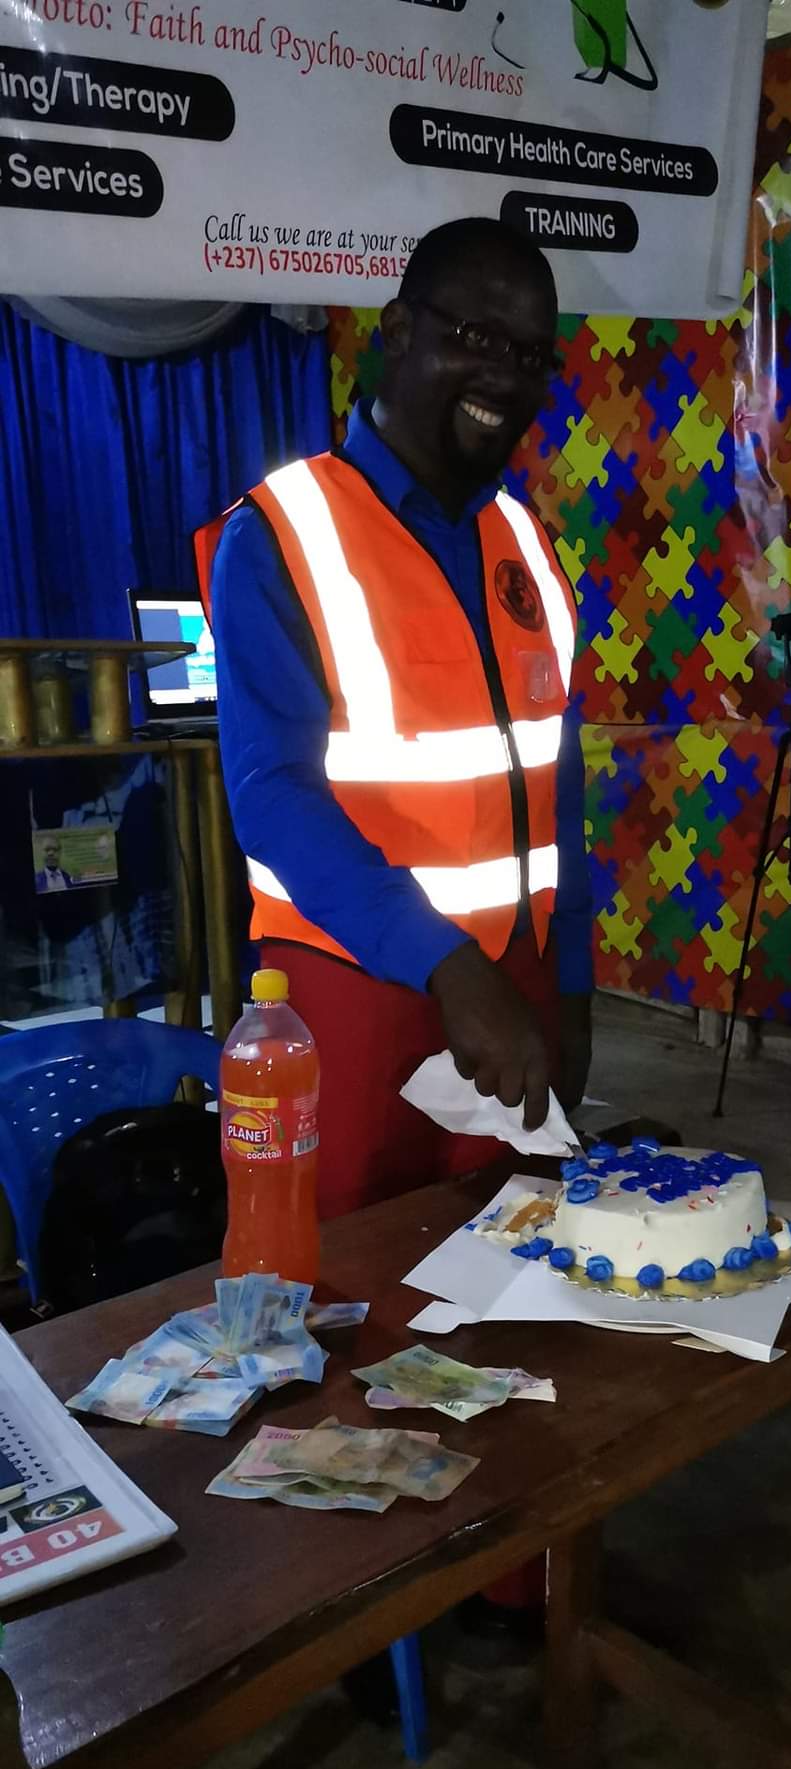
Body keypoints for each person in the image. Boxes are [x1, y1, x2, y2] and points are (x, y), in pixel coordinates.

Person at [197, 219, 593, 1220]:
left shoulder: (527, 543)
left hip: (515, 992)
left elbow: (559, 783)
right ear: (400, 330)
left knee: (515, 1270)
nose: (504, 375)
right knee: (350, 1285)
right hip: (353, 991)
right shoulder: (282, 533)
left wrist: (573, 984)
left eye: (530, 355)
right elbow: (272, 798)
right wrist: (446, 966)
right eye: (477, 337)